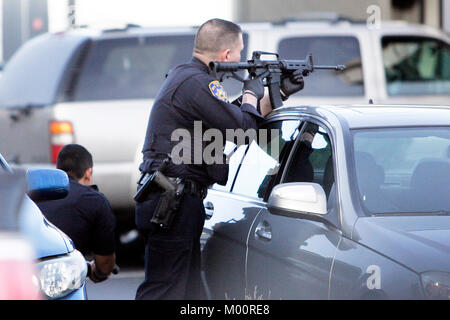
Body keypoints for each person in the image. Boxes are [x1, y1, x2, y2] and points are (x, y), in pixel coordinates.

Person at [134, 18, 304, 300]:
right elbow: (244, 131)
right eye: (239, 53)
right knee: (163, 290)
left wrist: (279, 92)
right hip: (173, 201)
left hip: (178, 200)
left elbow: (232, 120)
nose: (241, 59)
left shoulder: (190, 79)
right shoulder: (199, 83)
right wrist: (251, 91)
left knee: (188, 293)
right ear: (226, 55)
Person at [37, 144, 116, 283]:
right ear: (88, 173)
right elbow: (104, 265)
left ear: (58, 171)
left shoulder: (33, 194)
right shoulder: (95, 201)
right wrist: (94, 272)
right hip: (60, 282)